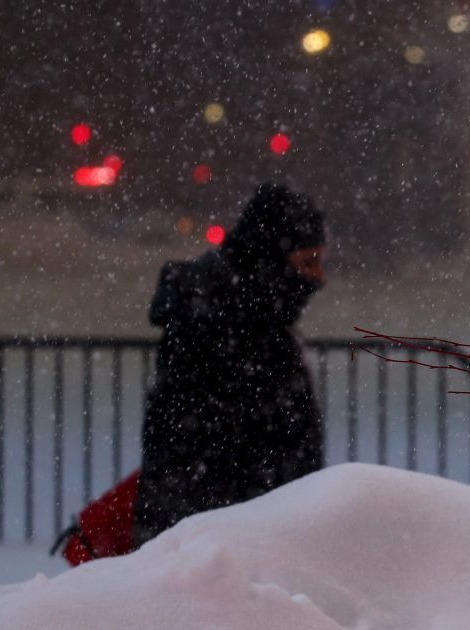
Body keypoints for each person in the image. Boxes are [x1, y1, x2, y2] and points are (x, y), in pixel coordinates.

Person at [133, 183, 328, 546]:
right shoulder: (228, 325)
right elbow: (211, 450)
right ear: (272, 259)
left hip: (230, 541)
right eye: (308, 262)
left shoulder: (247, 317)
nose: (318, 278)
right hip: (225, 551)